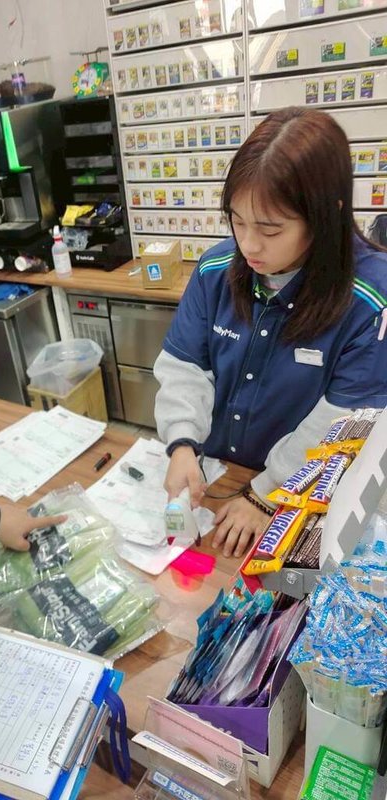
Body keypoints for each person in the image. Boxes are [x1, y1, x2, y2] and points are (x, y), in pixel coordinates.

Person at [155, 107, 387, 559]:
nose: (249, 245)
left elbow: (342, 423)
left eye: (270, 228)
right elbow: (185, 366)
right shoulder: (216, 270)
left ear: (327, 214)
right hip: (224, 476)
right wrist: (182, 444)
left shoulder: (371, 298)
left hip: (300, 492)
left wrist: (268, 492)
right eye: (237, 222)